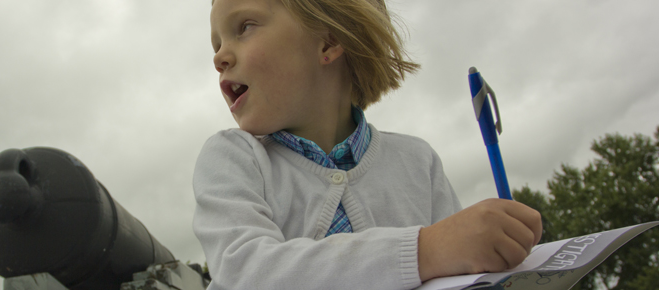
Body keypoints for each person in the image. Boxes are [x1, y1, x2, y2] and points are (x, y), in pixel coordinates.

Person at [192, 0, 543, 289]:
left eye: (244, 27)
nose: (218, 57)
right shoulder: (232, 158)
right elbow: (247, 273)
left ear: (328, 42)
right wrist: (425, 250)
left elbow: (463, 271)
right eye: (216, 44)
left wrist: (494, 250)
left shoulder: (418, 162)